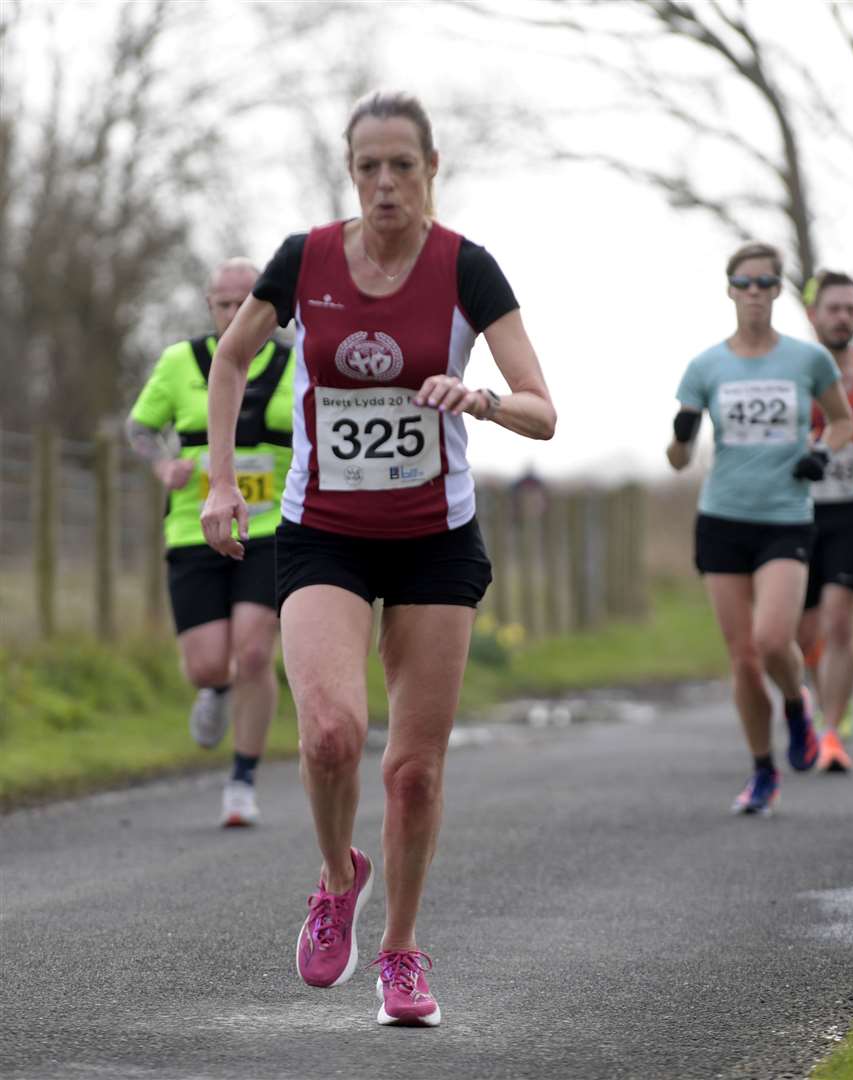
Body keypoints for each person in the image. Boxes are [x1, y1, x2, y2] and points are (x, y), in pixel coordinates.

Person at [199, 90, 555, 1027]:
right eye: (369, 167)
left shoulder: (466, 269)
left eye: (403, 165)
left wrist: (477, 399)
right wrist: (221, 484)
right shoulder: (304, 259)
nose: (386, 183)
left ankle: (400, 950)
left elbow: (542, 409)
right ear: (349, 172)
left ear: (431, 168)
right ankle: (334, 877)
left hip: (436, 540)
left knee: (413, 771)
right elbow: (229, 363)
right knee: (327, 734)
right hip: (326, 533)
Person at [668, 241, 853, 815]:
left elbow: (844, 421)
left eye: (766, 283)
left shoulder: (807, 360)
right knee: (744, 657)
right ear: (729, 290)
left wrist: (821, 452)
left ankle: (798, 705)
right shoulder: (705, 367)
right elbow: (677, 461)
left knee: (775, 640)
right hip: (723, 518)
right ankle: (763, 770)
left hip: (785, 518)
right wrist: (681, 435)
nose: (754, 294)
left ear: (779, 292)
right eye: (744, 283)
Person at [127, 257, 293, 828]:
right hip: (193, 527)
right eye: (222, 304)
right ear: (209, 306)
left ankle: (242, 781)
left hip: (268, 531)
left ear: (266, 307)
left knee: (253, 651)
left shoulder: (298, 365)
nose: (233, 313)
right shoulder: (179, 363)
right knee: (205, 665)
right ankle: (214, 690)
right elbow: (140, 429)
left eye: (244, 302)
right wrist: (162, 465)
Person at [794, 270, 853, 772]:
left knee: (842, 620)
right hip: (798, 515)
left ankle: (831, 731)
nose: (843, 317)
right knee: (803, 635)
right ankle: (813, 696)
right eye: (834, 308)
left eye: (851, 309)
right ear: (813, 315)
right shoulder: (792, 373)